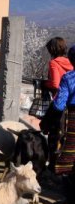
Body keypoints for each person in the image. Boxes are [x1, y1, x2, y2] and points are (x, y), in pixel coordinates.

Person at [44, 37, 73, 172]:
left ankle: (53, 167)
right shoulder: (69, 62)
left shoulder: (54, 63)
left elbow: (55, 84)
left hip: (62, 105)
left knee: (55, 135)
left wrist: (45, 84)